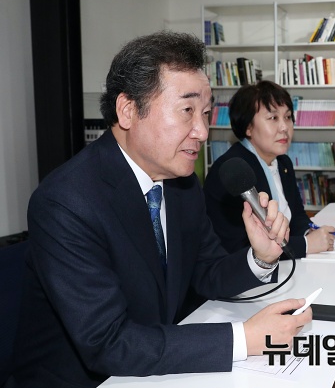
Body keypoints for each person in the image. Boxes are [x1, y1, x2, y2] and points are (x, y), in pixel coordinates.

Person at [10, 31, 312, 388]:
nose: (202, 131)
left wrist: (260, 257)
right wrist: (243, 339)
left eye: (205, 113)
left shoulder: (182, 185)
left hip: (156, 368)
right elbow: (108, 341)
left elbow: (208, 272)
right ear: (128, 110)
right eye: (187, 111)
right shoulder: (66, 202)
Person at [204, 80, 335, 258]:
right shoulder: (234, 172)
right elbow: (240, 245)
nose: (284, 127)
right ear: (248, 127)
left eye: (288, 117)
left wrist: (309, 232)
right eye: (273, 118)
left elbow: (296, 215)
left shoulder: (283, 162)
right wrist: (306, 244)